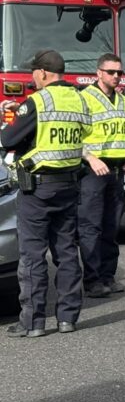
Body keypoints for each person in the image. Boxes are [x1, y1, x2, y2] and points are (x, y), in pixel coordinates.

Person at [2, 49, 90, 337]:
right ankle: (67, 319)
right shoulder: (79, 99)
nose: (33, 77)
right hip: (69, 184)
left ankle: (33, 323)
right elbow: (80, 133)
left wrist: (13, 119)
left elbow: (8, 139)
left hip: (38, 189)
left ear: (42, 73)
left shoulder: (37, 101)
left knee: (32, 256)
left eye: (33, 72)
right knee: (66, 253)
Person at [78, 53, 125, 298]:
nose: (116, 76)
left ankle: (107, 277)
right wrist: (91, 158)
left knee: (111, 227)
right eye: (111, 72)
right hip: (92, 171)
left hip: (117, 171)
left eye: (119, 72)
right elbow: (74, 136)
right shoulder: (83, 99)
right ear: (98, 73)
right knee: (90, 227)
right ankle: (92, 281)